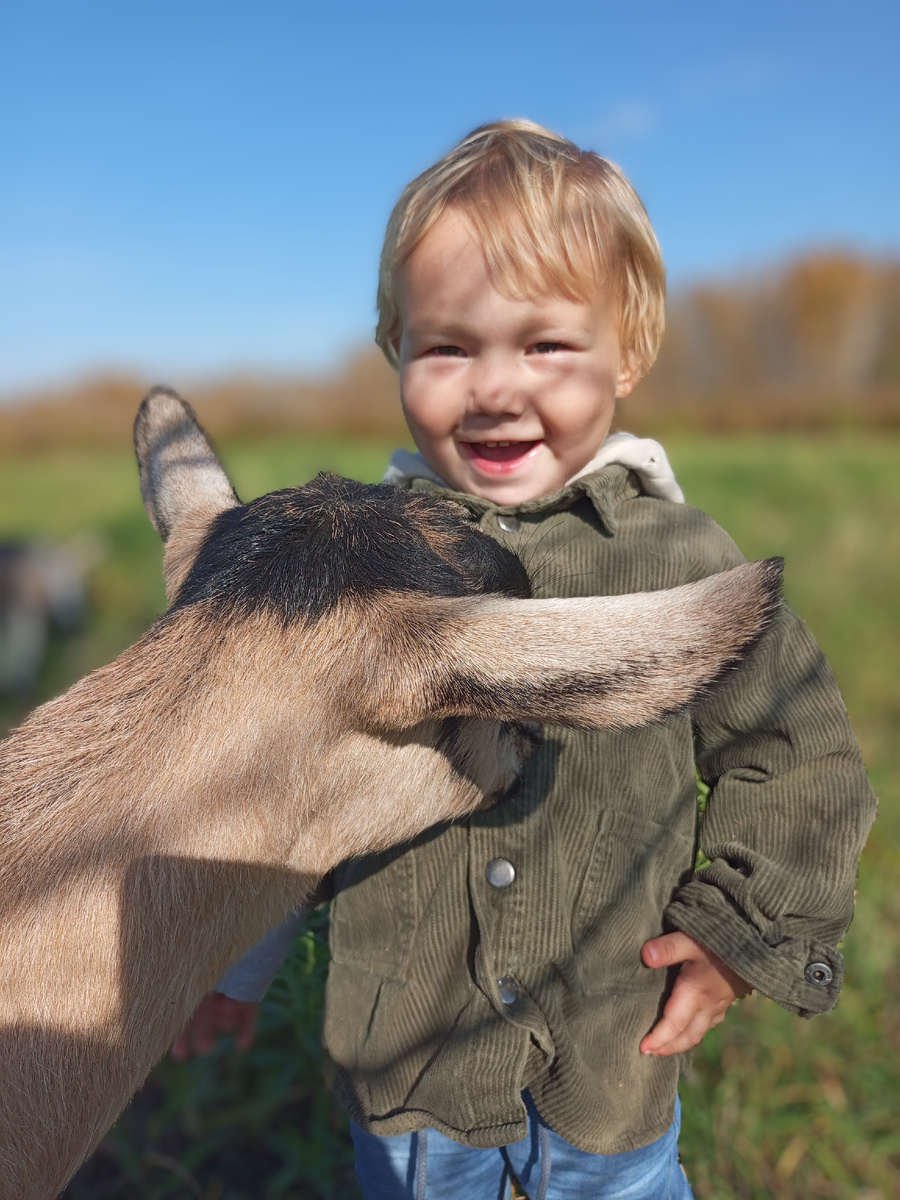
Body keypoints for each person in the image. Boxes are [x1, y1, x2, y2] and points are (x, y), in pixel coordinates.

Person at [173, 120, 876, 1199]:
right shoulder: (360, 572)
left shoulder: (680, 560)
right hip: (409, 1078)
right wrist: (231, 971)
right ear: (395, 352)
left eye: (546, 345)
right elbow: (293, 794)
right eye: (448, 346)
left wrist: (743, 935)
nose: (495, 389)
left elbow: (802, 758)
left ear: (628, 352)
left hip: (609, 1069)